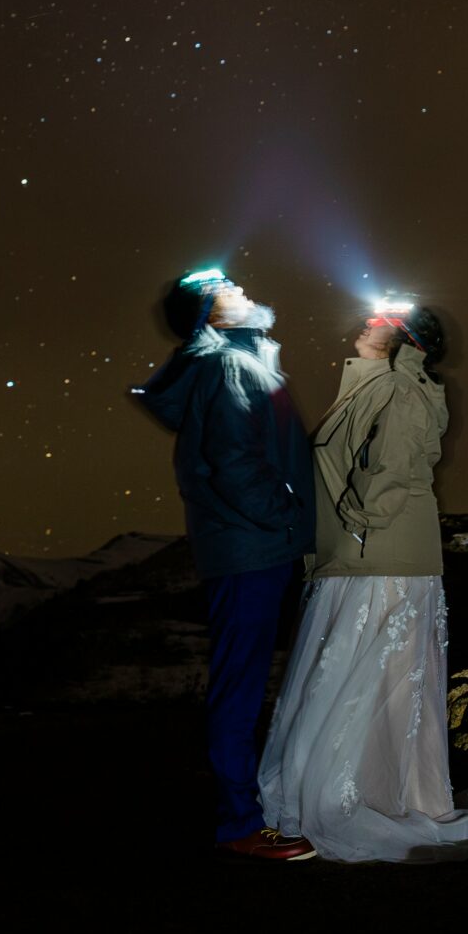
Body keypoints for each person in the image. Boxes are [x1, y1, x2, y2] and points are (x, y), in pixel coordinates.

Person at [259, 300, 468, 862]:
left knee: (363, 679)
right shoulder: (379, 384)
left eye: (381, 320)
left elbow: (393, 469)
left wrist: (355, 519)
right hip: (366, 555)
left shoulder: (402, 390)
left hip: (379, 558)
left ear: (405, 340)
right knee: (363, 680)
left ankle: (351, 801)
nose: (366, 323)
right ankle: (358, 792)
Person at [134, 268, 317, 861]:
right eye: (223, 289)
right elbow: (234, 462)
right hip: (251, 550)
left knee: (246, 678)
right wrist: (288, 517)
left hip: (252, 547)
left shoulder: (242, 361)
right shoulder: (227, 366)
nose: (239, 288)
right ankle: (240, 823)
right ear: (209, 314)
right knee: (241, 683)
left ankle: (251, 810)